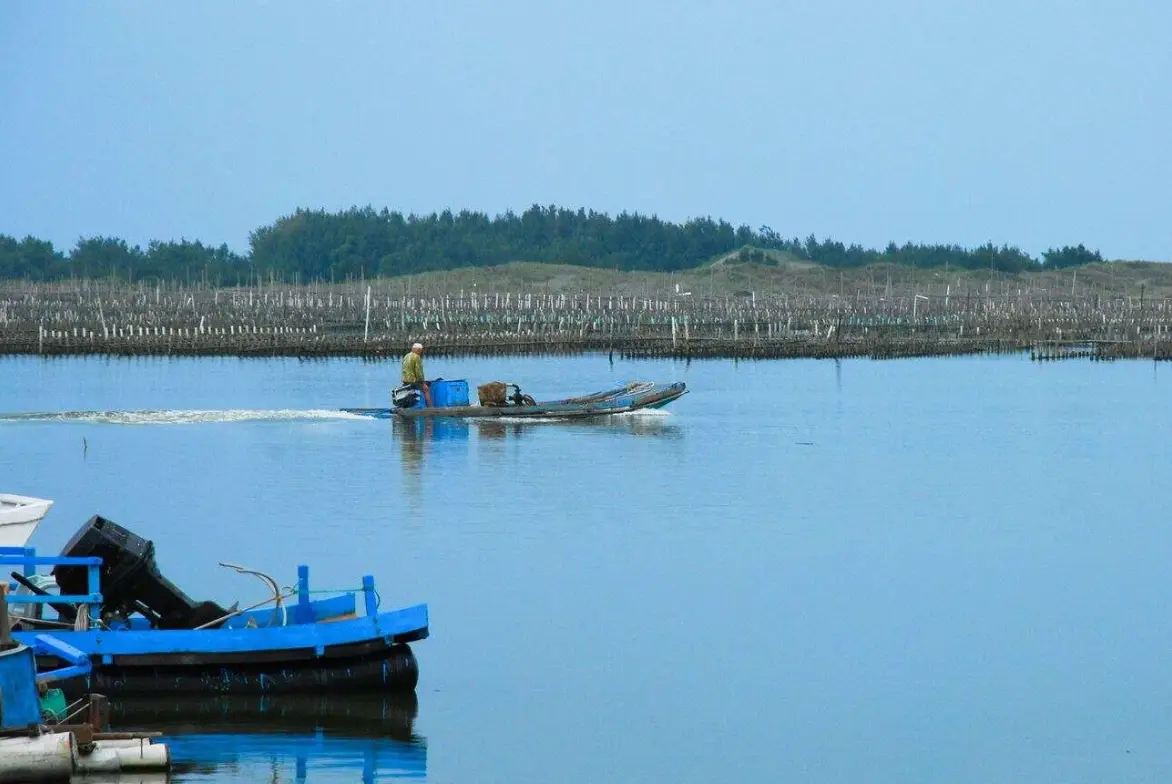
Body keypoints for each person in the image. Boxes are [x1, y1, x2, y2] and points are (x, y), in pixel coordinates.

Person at [401, 342, 431, 406]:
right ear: (418, 350)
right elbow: (419, 372)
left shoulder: (406, 356)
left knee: (411, 391)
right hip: (412, 381)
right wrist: (423, 383)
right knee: (426, 389)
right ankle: (430, 407)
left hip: (405, 380)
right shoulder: (416, 357)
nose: (421, 353)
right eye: (420, 351)